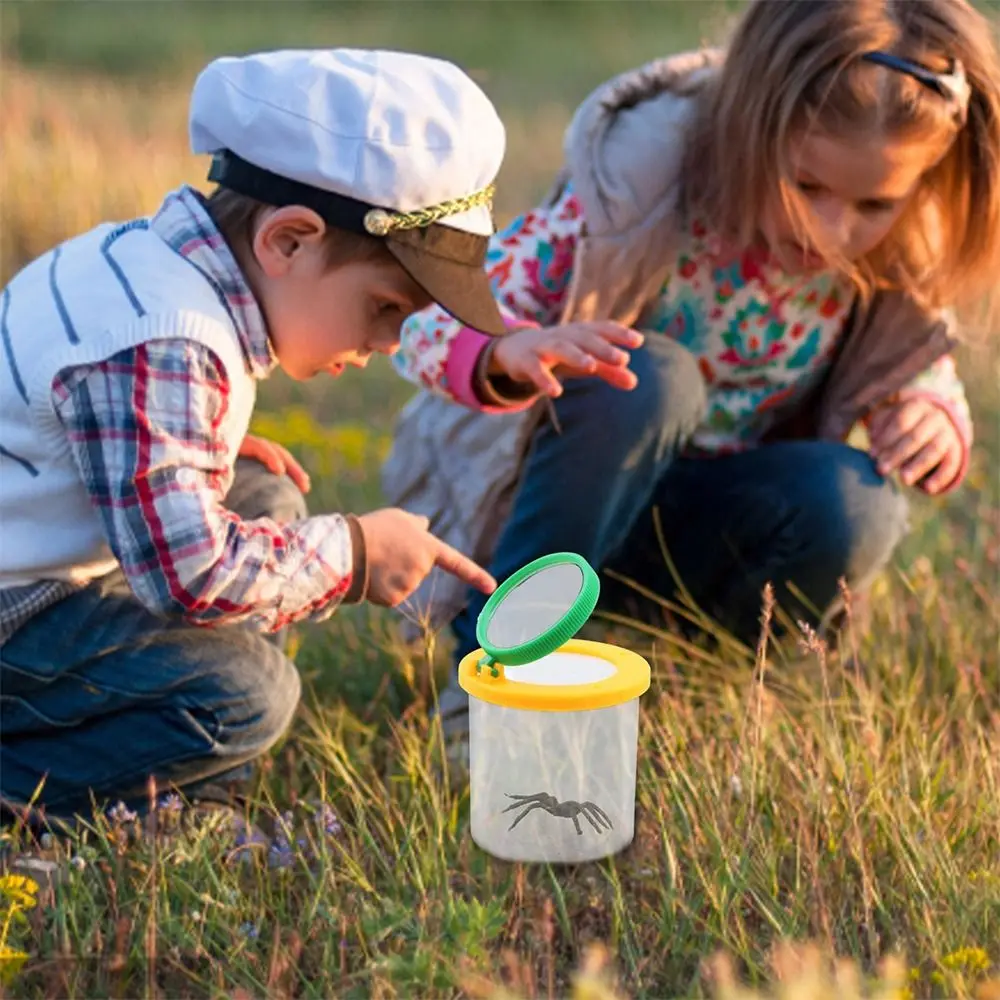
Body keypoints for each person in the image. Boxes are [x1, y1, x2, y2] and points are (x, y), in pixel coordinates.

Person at [0, 47, 638, 825]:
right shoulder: (164, 340)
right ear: (289, 241)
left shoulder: (145, 261)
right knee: (246, 695)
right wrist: (356, 555)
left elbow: (82, 426)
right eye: (383, 308)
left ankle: (161, 732)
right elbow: (190, 574)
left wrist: (206, 446)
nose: (388, 343)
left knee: (265, 496)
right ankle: (62, 777)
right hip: (16, 608)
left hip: (36, 554)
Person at [382, 0, 1000, 740]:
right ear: (749, 128)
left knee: (856, 498)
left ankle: (708, 670)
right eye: (806, 186)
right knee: (648, 376)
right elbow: (427, 316)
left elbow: (910, 367)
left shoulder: (891, 257)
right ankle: (500, 674)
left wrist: (924, 416)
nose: (831, 232)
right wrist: (503, 349)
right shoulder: (635, 192)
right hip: (560, 510)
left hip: (711, 529)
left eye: (874, 202)